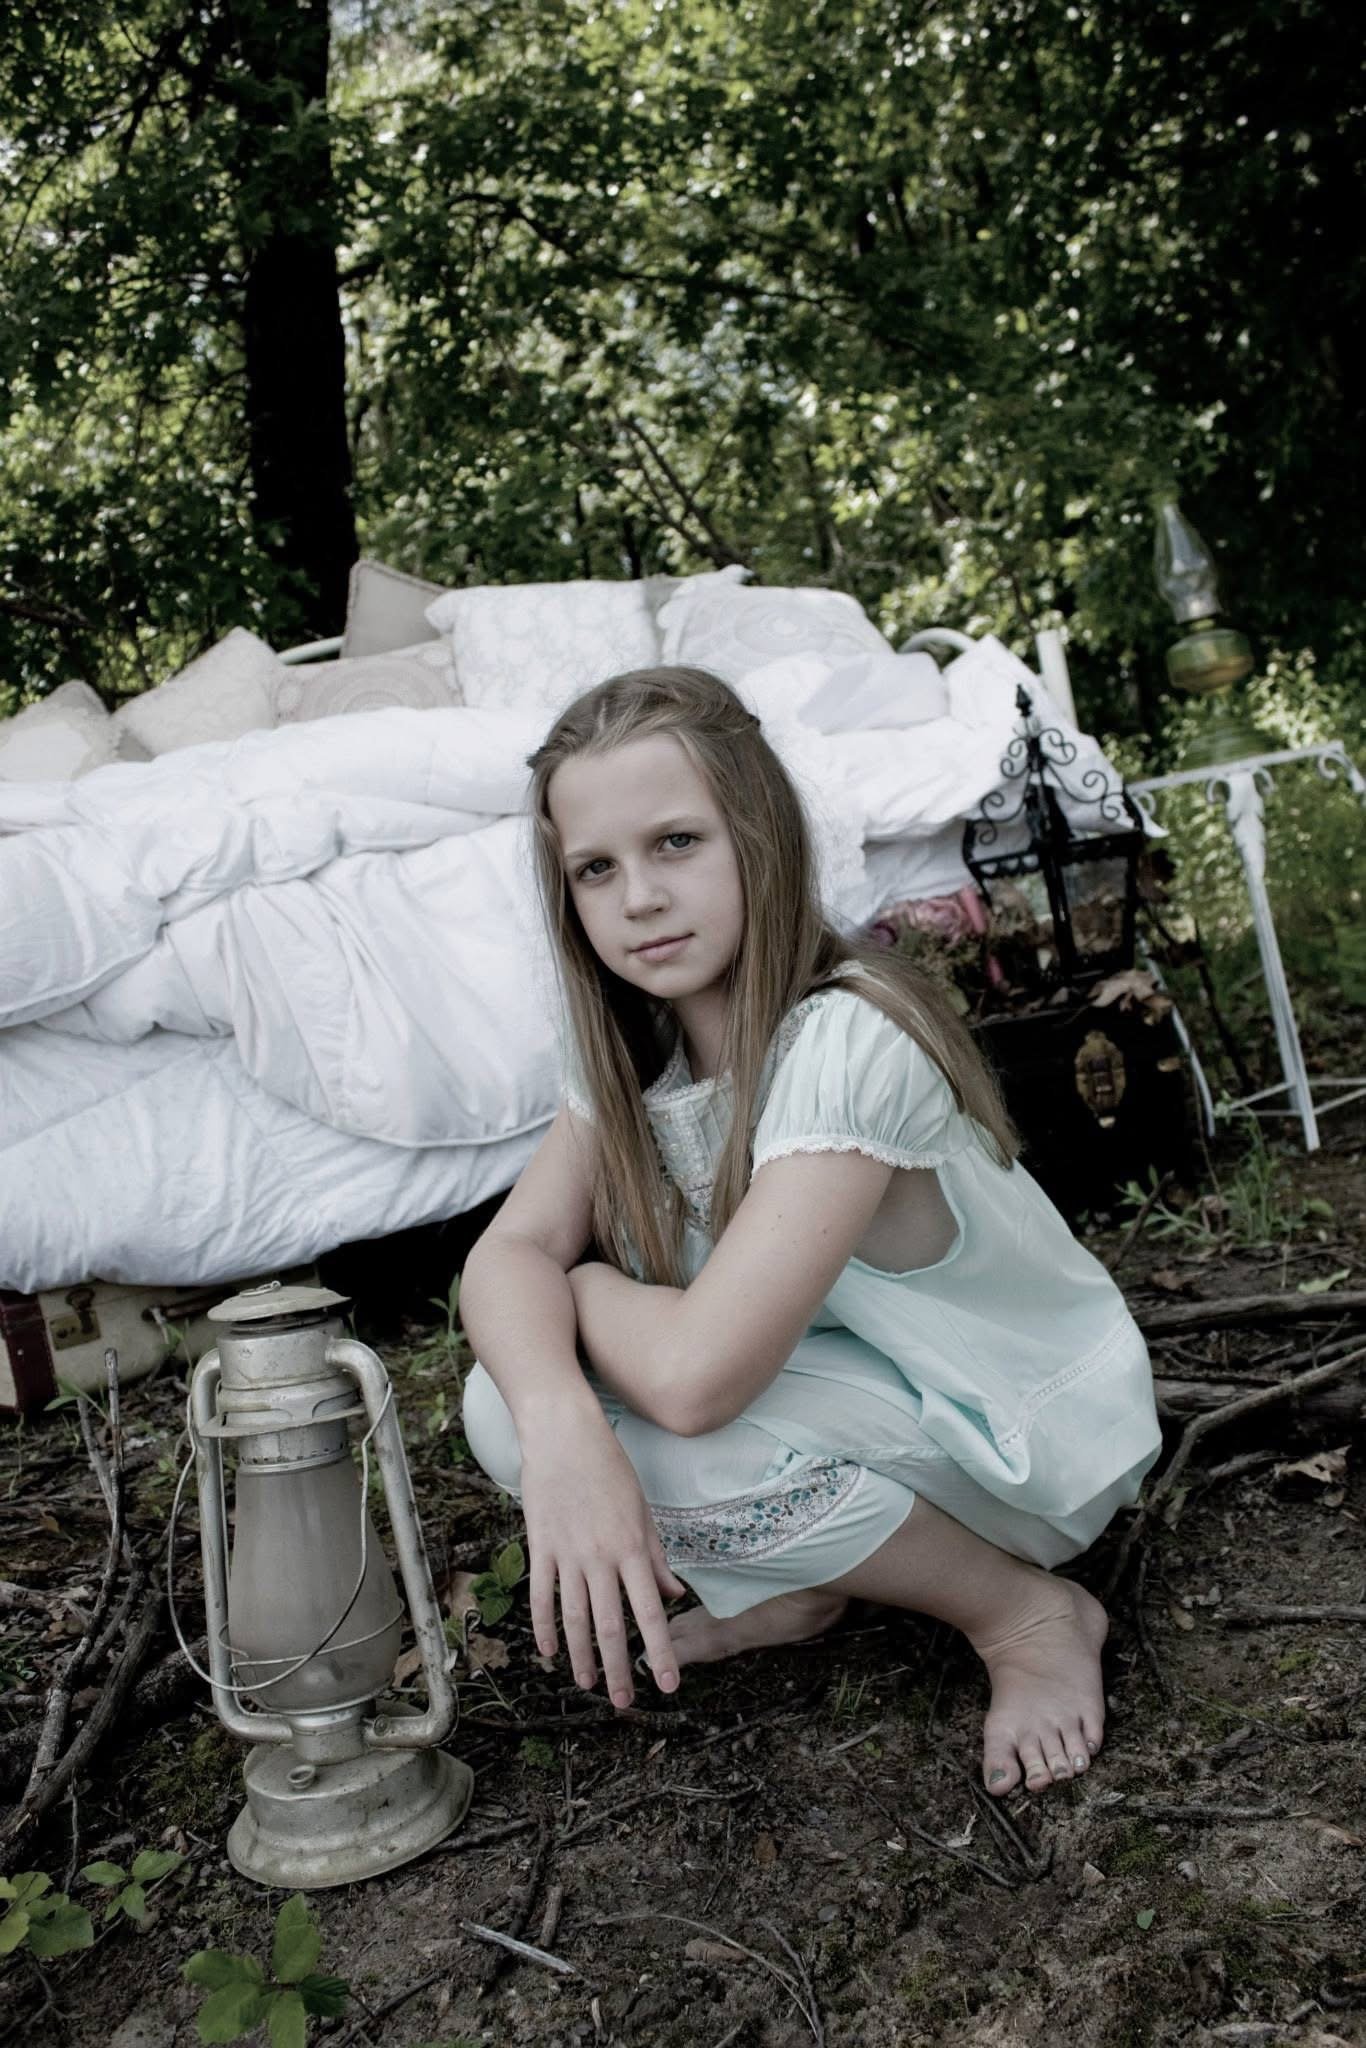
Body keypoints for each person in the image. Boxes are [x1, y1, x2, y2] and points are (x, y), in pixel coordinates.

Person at [458, 666, 1161, 1797]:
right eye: (596, 867)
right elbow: (504, 1256)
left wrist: (580, 1293)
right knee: (506, 1406)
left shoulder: (848, 1037)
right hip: (866, 1395)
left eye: (676, 842)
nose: (639, 897)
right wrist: (559, 1421)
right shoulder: (634, 1054)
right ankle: (804, 1581)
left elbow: (695, 1380)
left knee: (656, 1418)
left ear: (760, 835)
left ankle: (1025, 1613)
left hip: (1016, 1434)